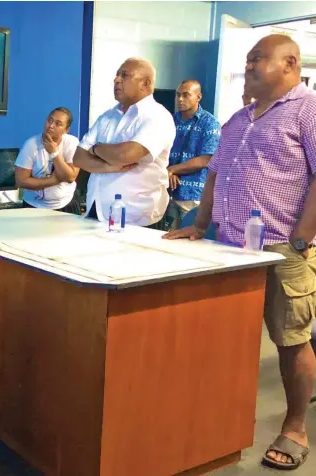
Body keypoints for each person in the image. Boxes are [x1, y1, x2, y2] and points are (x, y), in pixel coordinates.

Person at [164, 34, 316, 471]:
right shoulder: (239, 118)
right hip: (228, 247)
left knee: (291, 341)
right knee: (228, 341)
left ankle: (296, 426)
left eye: (257, 59)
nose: (249, 65)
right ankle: (221, 424)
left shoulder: (307, 110)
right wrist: (197, 223)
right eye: (248, 58)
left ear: (290, 63)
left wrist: (302, 239)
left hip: (280, 249)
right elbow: (214, 174)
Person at [73, 58, 176, 227]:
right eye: (117, 75)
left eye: (125, 75)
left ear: (145, 84)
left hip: (135, 218)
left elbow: (127, 155)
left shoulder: (157, 116)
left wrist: (95, 149)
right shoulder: (107, 116)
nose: (116, 79)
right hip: (96, 211)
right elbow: (78, 157)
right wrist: (108, 167)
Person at [165, 80, 221, 230]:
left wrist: (172, 169)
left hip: (194, 196)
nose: (180, 99)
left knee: (190, 243)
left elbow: (206, 159)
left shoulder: (210, 123)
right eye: (178, 95)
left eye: (186, 95)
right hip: (168, 192)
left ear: (198, 97)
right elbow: (159, 153)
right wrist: (169, 170)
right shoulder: (169, 120)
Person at [14, 107, 81, 213]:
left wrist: (54, 153)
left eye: (58, 124)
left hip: (65, 203)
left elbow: (70, 177)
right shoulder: (31, 144)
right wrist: (54, 180)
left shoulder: (72, 143)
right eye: (49, 120)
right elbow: (21, 181)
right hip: (34, 205)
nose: (51, 126)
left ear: (66, 130)